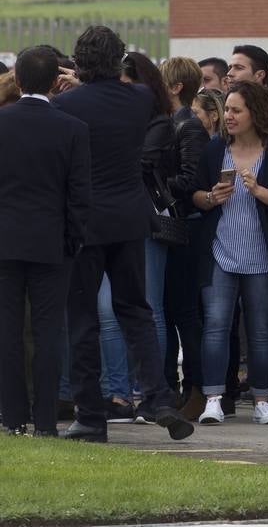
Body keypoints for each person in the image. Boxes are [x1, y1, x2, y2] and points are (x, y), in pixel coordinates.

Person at [53, 27, 194, 443]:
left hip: (85, 223)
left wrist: (75, 86)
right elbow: (114, 99)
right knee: (135, 310)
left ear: (78, 62)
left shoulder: (66, 104)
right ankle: (159, 397)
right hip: (132, 218)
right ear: (119, 60)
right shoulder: (141, 100)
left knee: (82, 320)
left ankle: (91, 417)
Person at [189, 81, 268, 426]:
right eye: (227, 110)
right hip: (220, 251)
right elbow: (193, 195)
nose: (229, 117)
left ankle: (262, 400)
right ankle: (213, 398)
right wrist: (210, 197)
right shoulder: (214, 150)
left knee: (261, 329)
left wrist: (260, 191)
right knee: (217, 324)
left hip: (262, 255)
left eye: (237, 110)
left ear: (256, 113)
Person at [0, 47, 90, 437]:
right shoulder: (72, 128)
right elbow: (79, 195)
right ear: (57, 81)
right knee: (49, 331)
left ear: (17, 80)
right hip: (52, 243)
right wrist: (73, 239)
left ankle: (13, 416)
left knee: (8, 331)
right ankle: (45, 421)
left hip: (5, 241)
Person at [158, 57, 211, 418]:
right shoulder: (172, 124)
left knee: (184, 314)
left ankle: (195, 387)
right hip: (175, 225)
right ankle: (173, 387)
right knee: (171, 310)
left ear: (176, 87)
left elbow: (192, 179)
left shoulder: (189, 127)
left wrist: (154, 185)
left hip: (185, 227)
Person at [122, 52, 177, 362]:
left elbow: (143, 162)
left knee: (150, 304)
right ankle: (127, 384)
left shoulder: (159, 122)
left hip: (148, 218)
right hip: (120, 216)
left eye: (126, 85)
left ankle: (153, 384)